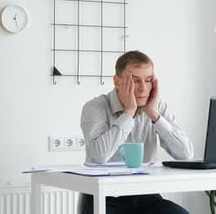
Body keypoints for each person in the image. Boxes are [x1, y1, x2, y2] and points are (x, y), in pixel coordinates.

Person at [78, 50, 194, 214]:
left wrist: (153, 114)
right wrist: (129, 112)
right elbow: (99, 156)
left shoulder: (157, 107)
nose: (143, 88)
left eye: (148, 81)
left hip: (146, 196)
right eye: (135, 81)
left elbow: (185, 154)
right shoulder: (95, 107)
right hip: (104, 197)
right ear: (117, 81)